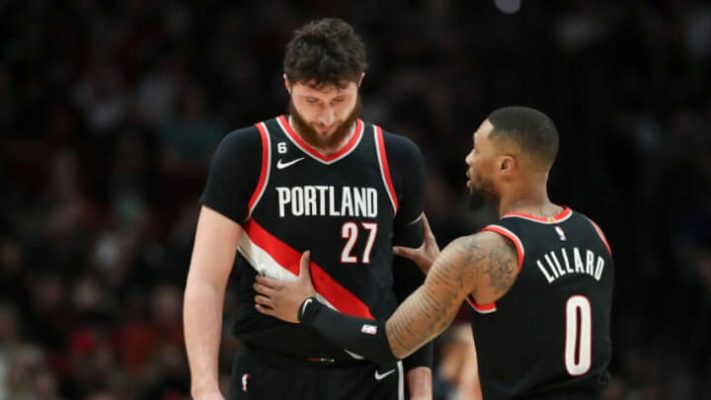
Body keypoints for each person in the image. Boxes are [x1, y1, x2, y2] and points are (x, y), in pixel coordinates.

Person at [254, 106, 615, 399]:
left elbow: (388, 343)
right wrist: (449, 274)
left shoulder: (482, 251)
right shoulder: (593, 234)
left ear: (506, 165)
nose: (468, 159)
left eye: (477, 149)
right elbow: (536, 312)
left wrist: (308, 308)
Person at [183, 18, 433, 400]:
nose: (327, 117)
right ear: (288, 85)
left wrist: (422, 389)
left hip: (370, 376)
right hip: (272, 372)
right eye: (312, 101)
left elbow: (415, 285)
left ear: (360, 81)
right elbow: (206, 278)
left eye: (340, 99)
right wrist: (203, 385)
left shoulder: (397, 157)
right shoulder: (248, 151)